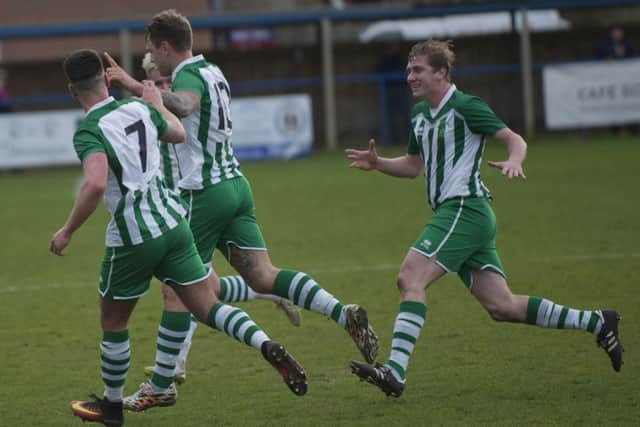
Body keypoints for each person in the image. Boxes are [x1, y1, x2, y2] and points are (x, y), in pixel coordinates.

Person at [104, 9, 379, 411]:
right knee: (263, 276)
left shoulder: (188, 75)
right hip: (235, 185)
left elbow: (182, 104)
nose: (152, 59)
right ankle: (343, 313)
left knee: (177, 289)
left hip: (204, 192)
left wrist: (132, 84)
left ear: (166, 47)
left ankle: (162, 383)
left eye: (152, 50)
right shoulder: (214, 70)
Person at [346, 40, 623, 398]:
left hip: (464, 208)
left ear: (441, 73)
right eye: (408, 70)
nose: (409, 76)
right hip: (464, 216)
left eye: (418, 70)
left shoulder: (465, 106)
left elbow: (514, 139)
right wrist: (379, 163)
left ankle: (394, 371)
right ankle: (598, 321)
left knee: (409, 276)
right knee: (501, 306)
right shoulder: (418, 115)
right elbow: (414, 166)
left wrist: (515, 160)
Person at [53, 49, 307, 427]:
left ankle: (110, 407)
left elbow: (93, 182)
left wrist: (67, 230)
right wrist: (156, 102)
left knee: (114, 320)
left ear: (73, 91)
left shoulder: (90, 129)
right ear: (107, 81)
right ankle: (265, 344)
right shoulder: (139, 109)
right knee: (206, 304)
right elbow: (178, 132)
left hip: (134, 237)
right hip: (174, 223)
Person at [138, 52, 301, 386]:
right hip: (173, 203)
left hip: (197, 201)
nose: (166, 86)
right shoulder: (148, 113)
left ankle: (173, 367)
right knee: (203, 286)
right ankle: (266, 292)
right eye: (158, 82)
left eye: (168, 80)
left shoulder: (185, 107)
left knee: (181, 286)